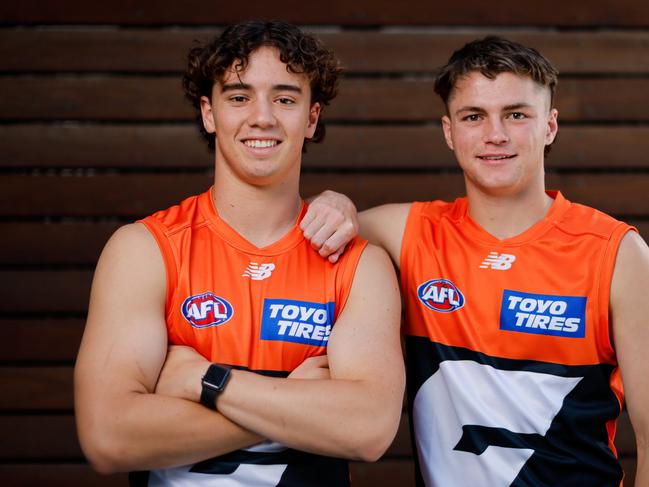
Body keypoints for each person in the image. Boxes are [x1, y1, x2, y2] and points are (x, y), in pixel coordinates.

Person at [303, 36, 649, 486]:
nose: (495, 134)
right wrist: (334, 201)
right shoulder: (408, 233)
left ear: (550, 126)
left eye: (517, 114)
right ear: (450, 133)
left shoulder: (618, 253)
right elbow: (307, 227)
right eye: (474, 117)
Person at [74, 20, 404, 486]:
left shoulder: (357, 263)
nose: (262, 117)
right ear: (210, 113)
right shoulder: (146, 249)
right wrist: (292, 404)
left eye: (286, 99)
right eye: (239, 96)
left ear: (312, 118)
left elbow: (367, 429)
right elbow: (109, 437)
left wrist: (207, 381)